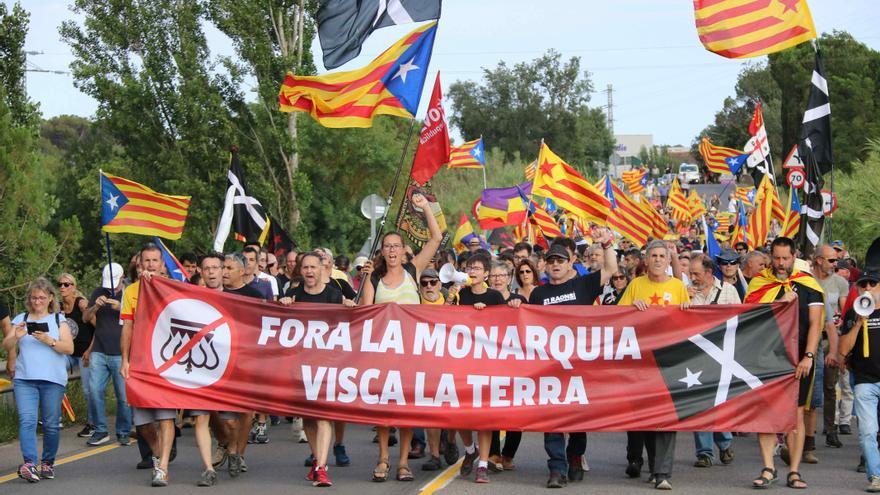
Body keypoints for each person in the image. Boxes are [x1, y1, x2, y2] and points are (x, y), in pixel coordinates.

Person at [518, 229, 617, 488]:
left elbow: (610, 268)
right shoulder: (538, 295)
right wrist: (515, 307)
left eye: (560, 261)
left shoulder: (584, 284)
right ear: (546, 265)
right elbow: (526, 325)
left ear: (570, 262)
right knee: (552, 420)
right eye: (551, 261)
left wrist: (606, 243)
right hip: (549, 367)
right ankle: (556, 469)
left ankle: (574, 456)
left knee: (578, 418)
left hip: (581, 366)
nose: (555, 265)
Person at [360, 193, 442, 483]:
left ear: (403, 250)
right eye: (387, 247)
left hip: (412, 351)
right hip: (384, 352)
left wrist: (425, 209)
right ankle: (383, 458)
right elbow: (364, 313)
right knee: (384, 411)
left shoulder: (412, 270)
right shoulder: (374, 279)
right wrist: (362, 282)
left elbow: (435, 238)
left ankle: (404, 462)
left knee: (406, 409)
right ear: (381, 251)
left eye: (396, 246)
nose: (392, 251)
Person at [745, 237, 824, 490]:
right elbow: (749, 316)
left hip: (799, 360)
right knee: (767, 415)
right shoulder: (759, 283)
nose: (781, 264)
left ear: (794, 257)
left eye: (785, 259)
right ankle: (768, 468)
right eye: (777, 258)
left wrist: (808, 356)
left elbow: (815, 324)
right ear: (770, 257)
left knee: (796, 414)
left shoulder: (808, 284)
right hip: (766, 359)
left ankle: (794, 471)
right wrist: (778, 303)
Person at [618, 240, 690, 490]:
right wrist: (630, 308)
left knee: (667, 417)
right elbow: (615, 319)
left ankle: (663, 472)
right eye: (654, 256)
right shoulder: (635, 285)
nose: (658, 260)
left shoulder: (679, 287)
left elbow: (690, 322)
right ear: (646, 261)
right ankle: (653, 465)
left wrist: (687, 310)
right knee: (647, 418)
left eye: (663, 255)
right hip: (641, 363)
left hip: (670, 361)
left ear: (669, 261)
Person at [279, 252, 355, 487]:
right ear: (300, 271)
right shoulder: (293, 294)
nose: (310, 271)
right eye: (306, 267)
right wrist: (284, 305)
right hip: (301, 366)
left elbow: (347, 327)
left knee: (323, 416)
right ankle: (317, 461)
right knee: (309, 419)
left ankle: (321, 467)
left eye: (314, 267)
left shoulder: (334, 295)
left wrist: (351, 308)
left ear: (323, 269)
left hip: (327, 365)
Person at [3, 278, 74, 482]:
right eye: (34, 298)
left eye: (42, 298)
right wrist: (15, 335)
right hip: (26, 379)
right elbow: (6, 344)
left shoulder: (58, 320)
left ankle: (47, 463)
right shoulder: (21, 318)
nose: (37, 302)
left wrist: (48, 340)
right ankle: (30, 464)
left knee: (51, 424)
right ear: (29, 299)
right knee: (27, 420)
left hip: (52, 380)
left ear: (51, 298)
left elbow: (69, 348)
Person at [120, 243, 177, 487]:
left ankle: (162, 467)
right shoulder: (131, 291)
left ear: (162, 264)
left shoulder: (173, 288)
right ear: (139, 263)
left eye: (155, 260)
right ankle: (158, 452)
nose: (151, 264)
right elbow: (128, 327)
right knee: (142, 422)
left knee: (165, 417)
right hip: (140, 362)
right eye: (147, 261)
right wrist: (125, 359)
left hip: (166, 363)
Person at [448, 253, 506, 484]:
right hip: (462, 364)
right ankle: (469, 449)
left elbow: (505, 326)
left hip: (487, 365)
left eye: (477, 268)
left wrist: (486, 314)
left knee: (484, 417)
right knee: (459, 414)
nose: (472, 271)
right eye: (469, 267)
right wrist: (451, 300)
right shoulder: (460, 294)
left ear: (487, 273)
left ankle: (482, 464)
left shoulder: (494, 297)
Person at [687, 254, 740, 469]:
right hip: (695, 355)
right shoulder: (686, 291)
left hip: (722, 355)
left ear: (709, 273)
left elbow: (740, 320)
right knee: (700, 403)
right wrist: (684, 299)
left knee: (718, 403)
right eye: (690, 273)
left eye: (696, 274)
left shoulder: (729, 291)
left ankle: (724, 441)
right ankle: (704, 452)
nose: (692, 277)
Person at [837, 245, 880, 493]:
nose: (866, 289)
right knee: (866, 433)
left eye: (872, 284)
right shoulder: (856, 313)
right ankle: (875, 476)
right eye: (862, 285)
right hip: (864, 381)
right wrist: (858, 324)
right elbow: (843, 349)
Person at [221, 252, 266, 478]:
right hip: (220, 362)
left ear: (241, 271)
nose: (225, 272)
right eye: (223, 268)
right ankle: (228, 445)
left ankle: (239, 453)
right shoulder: (215, 294)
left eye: (229, 268)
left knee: (246, 411)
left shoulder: (254, 295)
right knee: (226, 418)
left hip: (247, 361)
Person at [81, 263, 132, 449]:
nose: (111, 288)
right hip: (99, 350)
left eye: (115, 283)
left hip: (121, 352)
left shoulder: (130, 293)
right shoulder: (97, 292)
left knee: (123, 396)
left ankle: (124, 431)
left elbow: (141, 317)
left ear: (123, 277)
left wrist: (122, 308)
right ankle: (100, 429)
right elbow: (86, 318)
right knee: (94, 391)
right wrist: (95, 306)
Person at [810, 245, 851, 450]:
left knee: (829, 386)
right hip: (810, 338)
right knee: (807, 386)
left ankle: (831, 429)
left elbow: (844, 311)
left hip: (831, 337)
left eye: (836, 260)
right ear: (819, 260)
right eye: (832, 260)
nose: (836, 264)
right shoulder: (807, 280)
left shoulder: (840, 282)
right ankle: (805, 432)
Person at [58, 273, 96, 438]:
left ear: (74, 286)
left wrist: (90, 350)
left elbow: (99, 327)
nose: (63, 287)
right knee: (52, 376)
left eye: (67, 284)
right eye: (60, 284)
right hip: (69, 353)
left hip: (85, 352)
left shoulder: (81, 304)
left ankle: (92, 424)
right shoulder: (58, 307)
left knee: (88, 390)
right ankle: (55, 417)